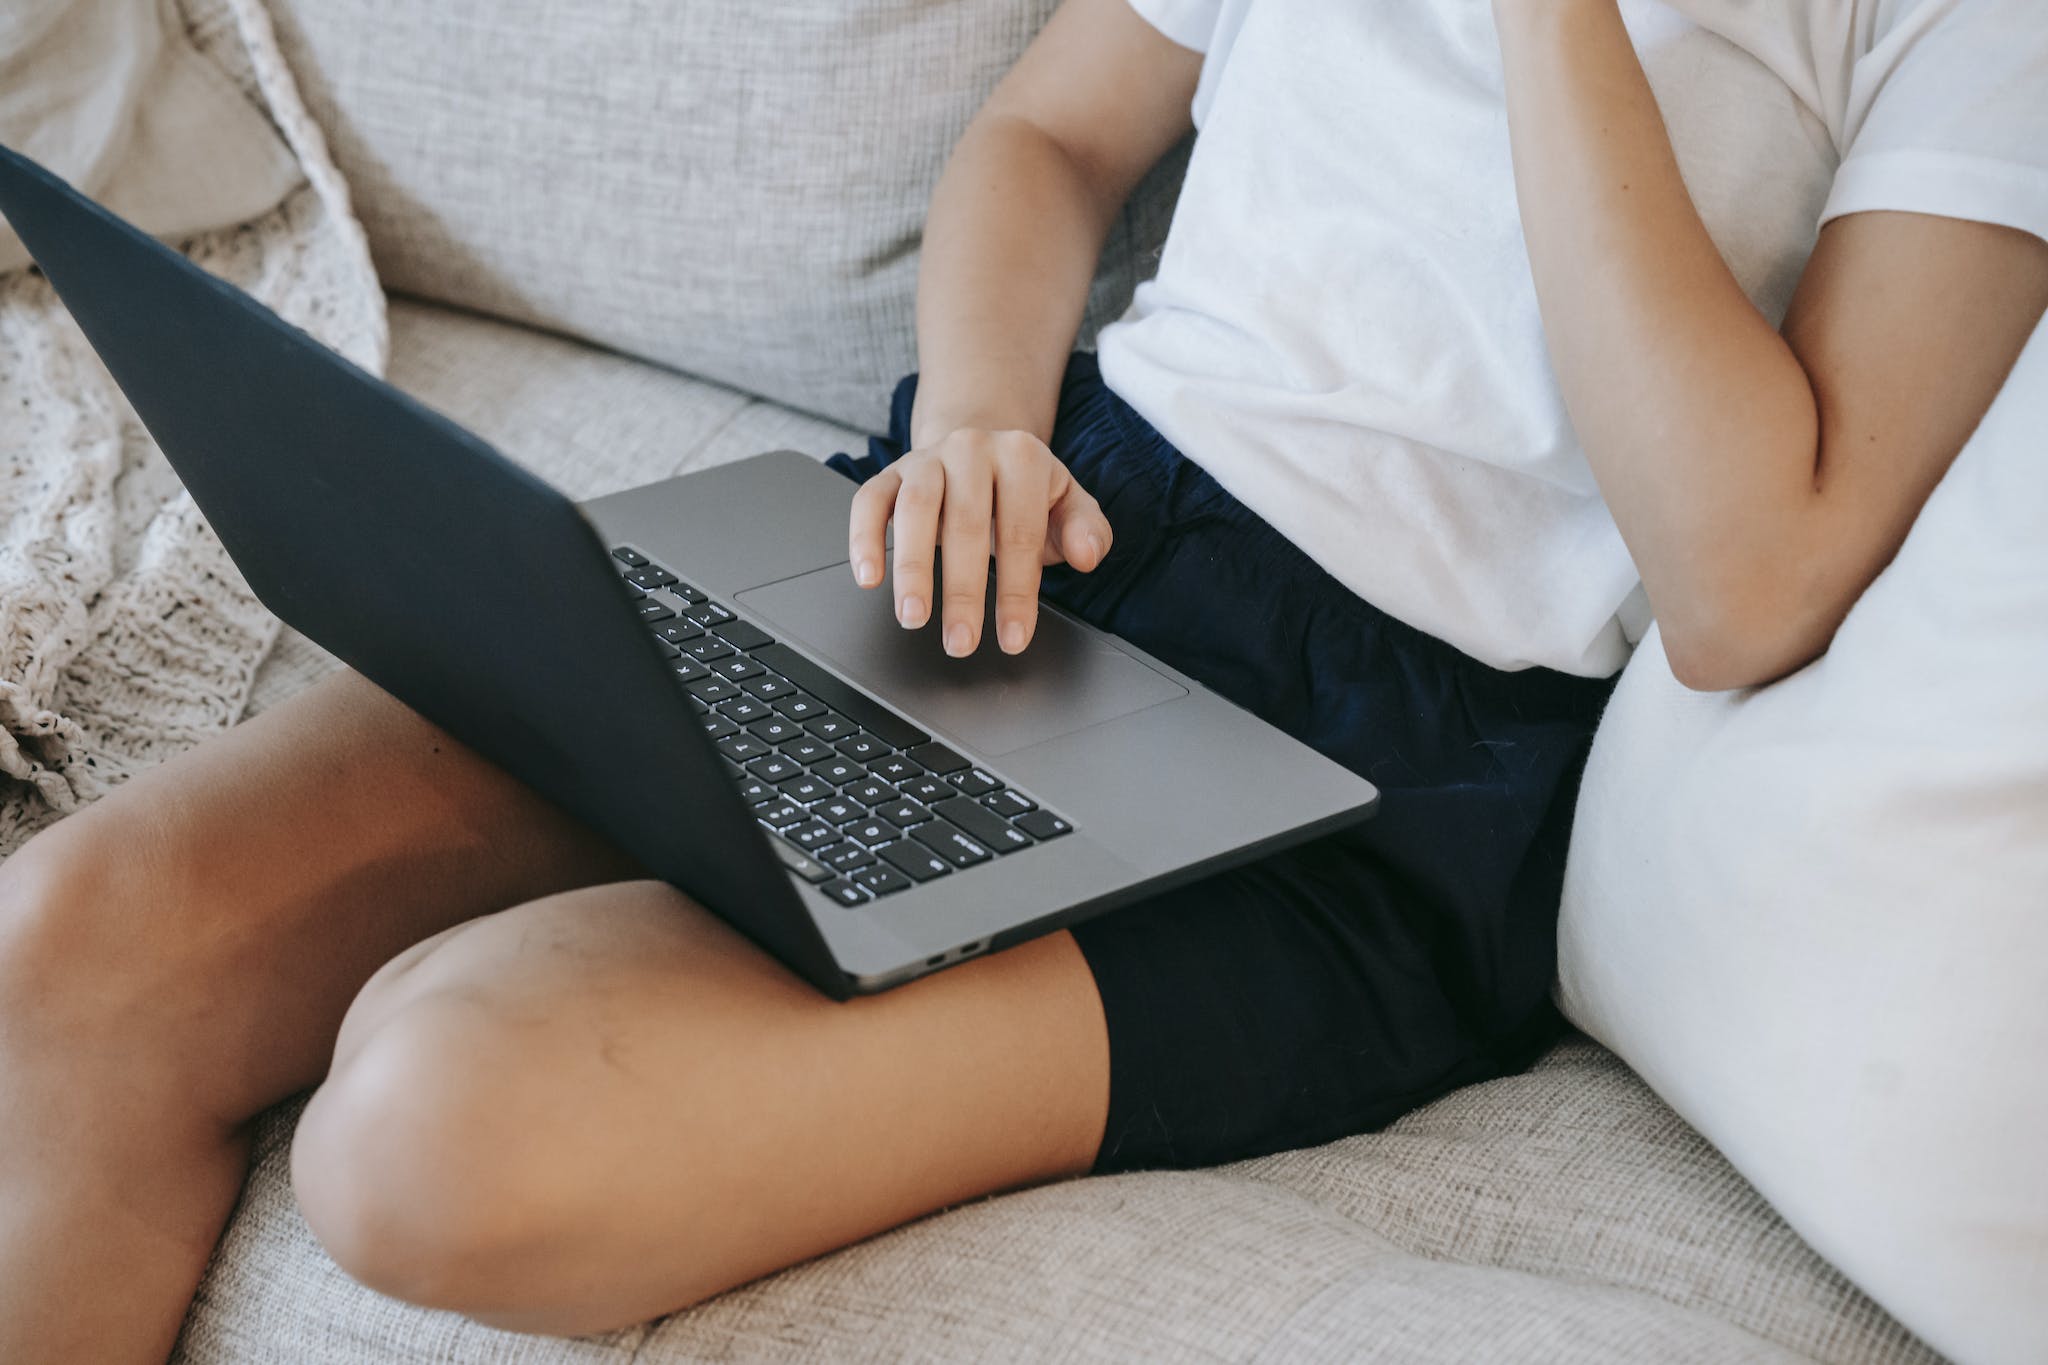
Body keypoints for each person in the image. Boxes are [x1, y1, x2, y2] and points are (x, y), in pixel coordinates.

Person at [2, 0, 2044, 1359]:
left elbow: (1746, 579)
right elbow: (1054, 135)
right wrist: (979, 420)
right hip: (1034, 529)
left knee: (430, 1127)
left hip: (1380, 774)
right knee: (76, 937)